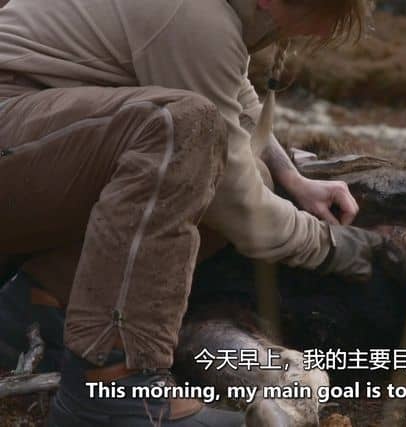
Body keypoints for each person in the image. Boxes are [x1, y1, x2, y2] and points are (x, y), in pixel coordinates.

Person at [0, 0, 381, 425]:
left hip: (29, 138)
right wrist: (332, 245)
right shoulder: (193, 15)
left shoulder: (213, 13)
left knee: (231, 165)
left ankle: (38, 307)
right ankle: (112, 388)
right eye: (317, 19)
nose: (315, 35)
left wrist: (290, 177)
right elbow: (235, 203)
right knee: (179, 129)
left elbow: (230, 90)